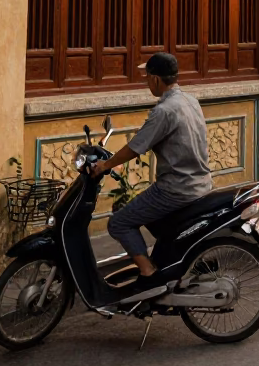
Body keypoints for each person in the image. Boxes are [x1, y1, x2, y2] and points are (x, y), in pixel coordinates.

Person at [91, 52, 212, 291]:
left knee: (119, 222)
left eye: (147, 77)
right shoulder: (191, 101)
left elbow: (136, 147)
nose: (146, 82)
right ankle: (174, 265)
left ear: (155, 79)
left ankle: (148, 273)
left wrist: (104, 165)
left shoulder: (164, 110)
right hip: (201, 183)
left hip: (175, 189)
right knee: (155, 222)